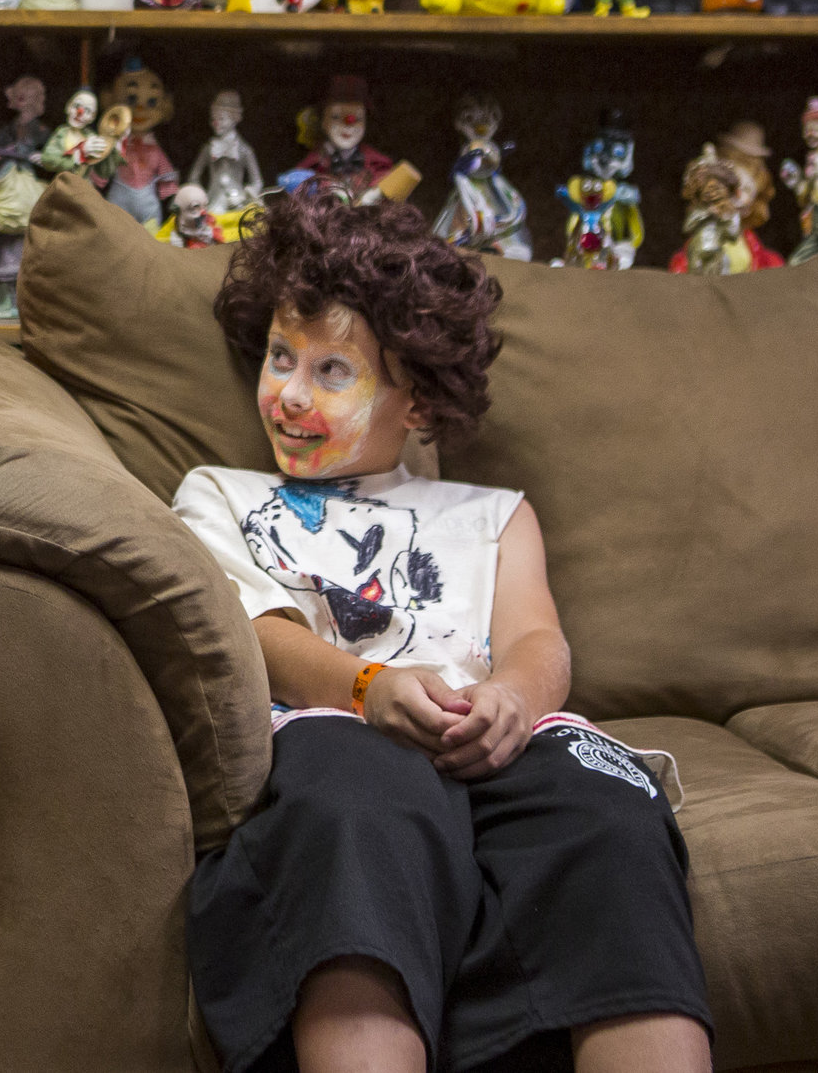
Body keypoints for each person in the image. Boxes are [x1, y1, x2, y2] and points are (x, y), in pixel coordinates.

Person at [173, 194, 712, 1073]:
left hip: (492, 740)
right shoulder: (222, 495)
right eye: (280, 357)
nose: (290, 393)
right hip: (339, 731)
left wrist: (512, 699)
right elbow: (253, 628)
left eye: (332, 372)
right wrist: (364, 687)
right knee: (356, 804)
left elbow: (540, 640)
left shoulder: (493, 514)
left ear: (416, 403)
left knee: (611, 805)